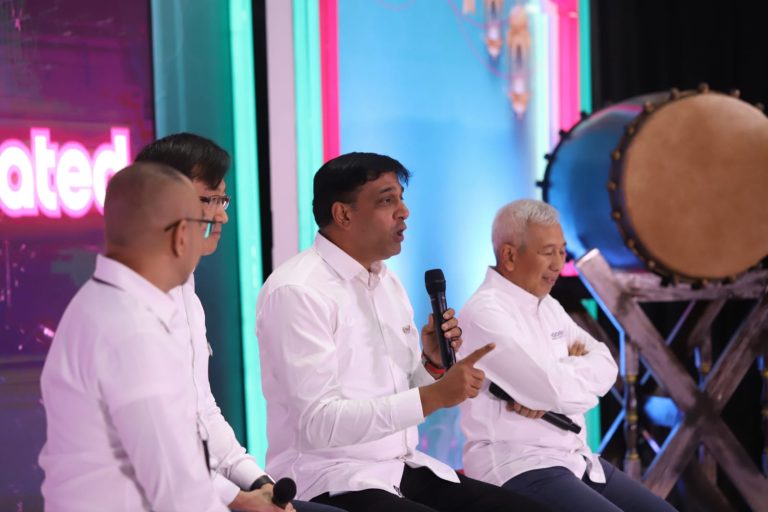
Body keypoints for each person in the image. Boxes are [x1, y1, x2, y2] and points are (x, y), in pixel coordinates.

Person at [255, 152, 551, 512]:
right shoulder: (298, 290)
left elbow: (403, 394)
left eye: (401, 198)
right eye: (386, 201)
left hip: (400, 465)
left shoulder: (387, 281)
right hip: (329, 477)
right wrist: (433, 396)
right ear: (343, 214)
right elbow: (318, 423)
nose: (404, 212)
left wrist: (431, 363)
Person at [135, 133, 341, 512]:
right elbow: (151, 447)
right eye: (208, 200)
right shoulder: (134, 305)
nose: (222, 215)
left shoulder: (186, 292)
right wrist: (240, 498)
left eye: (222, 199)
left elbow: (204, 412)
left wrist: (261, 483)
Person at [458, 199, 678, 512]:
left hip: (575, 458)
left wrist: (553, 386)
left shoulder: (548, 305)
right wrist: (560, 383)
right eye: (548, 252)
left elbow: (606, 365)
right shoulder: (485, 313)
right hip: (518, 463)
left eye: (562, 251)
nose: (558, 264)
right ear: (509, 256)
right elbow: (549, 389)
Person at [39, 162, 227, 510]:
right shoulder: (134, 334)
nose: (220, 222)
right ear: (181, 235)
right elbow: (182, 496)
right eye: (201, 223)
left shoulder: (98, 304)